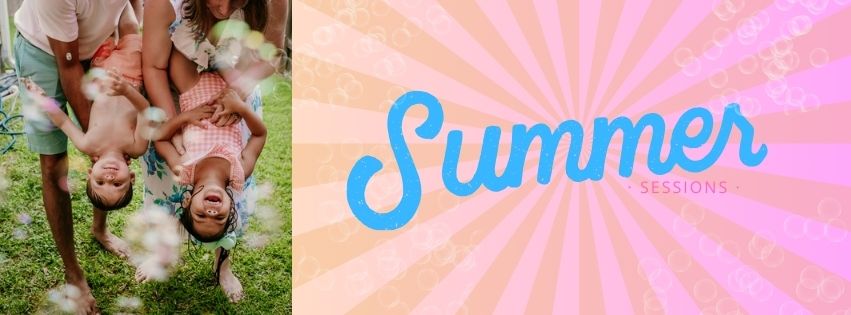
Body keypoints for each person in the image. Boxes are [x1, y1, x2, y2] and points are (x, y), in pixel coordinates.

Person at [141, 0, 283, 302]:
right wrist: (238, 105)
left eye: (201, 214)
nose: (211, 210)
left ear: (189, 199)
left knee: (182, 49)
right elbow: (259, 134)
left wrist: (180, 121)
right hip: (231, 98)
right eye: (218, 217)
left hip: (191, 96)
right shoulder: (238, 174)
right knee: (211, 58)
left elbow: (161, 140)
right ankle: (168, 254)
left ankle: (221, 265)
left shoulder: (184, 169)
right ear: (231, 204)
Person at [13, 0, 138, 313]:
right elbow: (67, 66)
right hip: (44, 50)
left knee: (110, 157)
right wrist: (99, 140)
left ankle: (100, 229)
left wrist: (129, 39)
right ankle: (73, 271)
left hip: (96, 50)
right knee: (54, 163)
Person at [33, 31, 148, 212]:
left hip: (99, 68)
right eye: (118, 184)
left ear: (89, 174)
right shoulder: (136, 147)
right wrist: (126, 90)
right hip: (131, 71)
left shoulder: (87, 145)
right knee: (129, 26)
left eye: (99, 181)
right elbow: (145, 110)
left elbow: (63, 123)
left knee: (106, 26)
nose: (109, 178)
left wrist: (44, 101)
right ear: (132, 177)